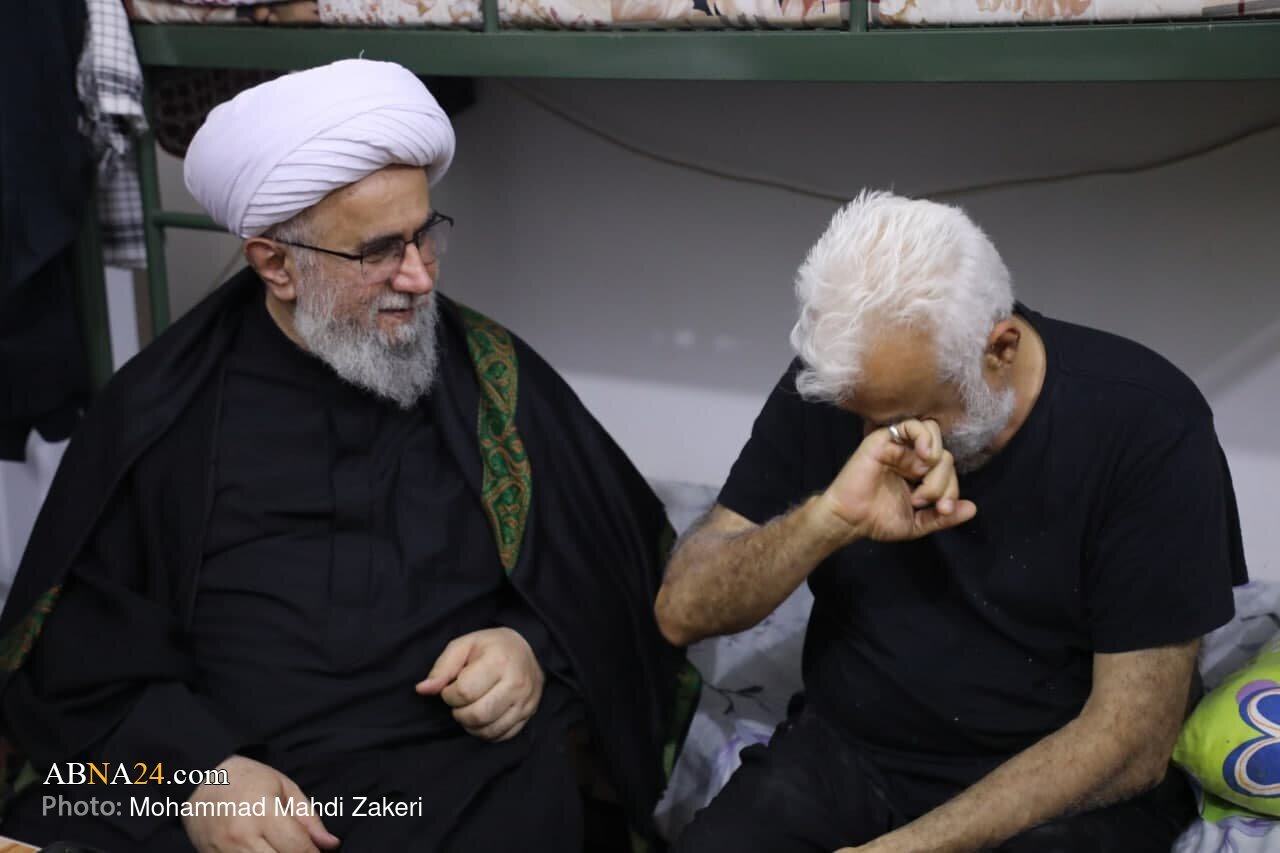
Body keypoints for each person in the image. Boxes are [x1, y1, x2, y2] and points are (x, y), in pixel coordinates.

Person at [0, 59, 691, 852]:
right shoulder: (161, 414)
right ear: (275, 264)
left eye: (426, 233)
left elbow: (614, 567)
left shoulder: (492, 382)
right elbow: (74, 663)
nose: (420, 275)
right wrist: (198, 777)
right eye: (380, 250)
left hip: (455, 781)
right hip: (229, 779)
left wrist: (529, 650)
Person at [656, 191, 1246, 853]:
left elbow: (1133, 741)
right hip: (850, 754)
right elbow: (681, 612)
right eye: (860, 415)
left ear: (1000, 348)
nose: (875, 436)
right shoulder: (839, 387)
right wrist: (828, 518)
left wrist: (906, 848)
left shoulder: (1148, 423)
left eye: (902, 416)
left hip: (1058, 783)